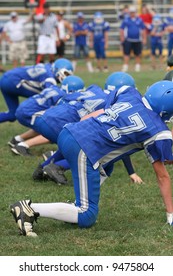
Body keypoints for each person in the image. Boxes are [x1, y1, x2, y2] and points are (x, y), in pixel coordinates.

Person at [10, 79, 173, 236]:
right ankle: (28, 208)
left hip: (71, 131)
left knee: (107, 166)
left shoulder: (129, 93)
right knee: (87, 215)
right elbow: (162, 176)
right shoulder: (157, 130)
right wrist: (170, 215)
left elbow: (100, 112)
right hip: (84, 147)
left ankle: (76, 204)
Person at [0, 58, 73, 124]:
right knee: (47, 101)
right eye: (65, 73)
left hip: (6, 78)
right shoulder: (49, 76)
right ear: (57, 69)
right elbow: (51, 92)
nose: (66, 77)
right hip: (13, 82)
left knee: (12, 115)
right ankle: (42, 130)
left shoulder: (48, 67)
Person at [120, 5, 147, 72]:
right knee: (126, 54)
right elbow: (122, 29)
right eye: (131, 12)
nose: (132, 13)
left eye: (133, 12)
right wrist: (122, 38)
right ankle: (125, 66)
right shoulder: (126, 20)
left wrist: (144, 38)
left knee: (137, 54)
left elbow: (143, 30)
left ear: (135, 12)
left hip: (137, 40)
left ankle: (137, 66)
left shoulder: (139, 20)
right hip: (128, 39)